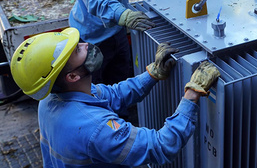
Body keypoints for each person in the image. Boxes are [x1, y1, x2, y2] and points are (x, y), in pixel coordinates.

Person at [10, 28, 220, 168]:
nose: (86, 45)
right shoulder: (97, 129)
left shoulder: (50, 98)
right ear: (72, 76)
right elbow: (160, 147)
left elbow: (114, 94)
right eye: (77, 50)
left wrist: (152, 74)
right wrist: (192, 95)